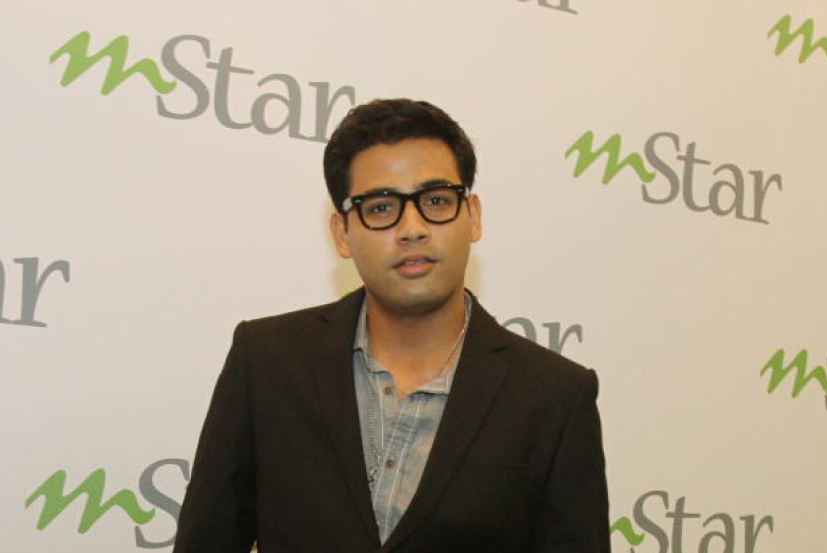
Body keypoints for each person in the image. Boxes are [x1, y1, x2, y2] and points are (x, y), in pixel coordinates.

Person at [172, 98, 610, 553]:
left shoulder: (555, 397)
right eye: (381, 208)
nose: (412, 228)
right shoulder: (266, 361)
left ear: (474, 217)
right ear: (343, 233)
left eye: (436, 201)